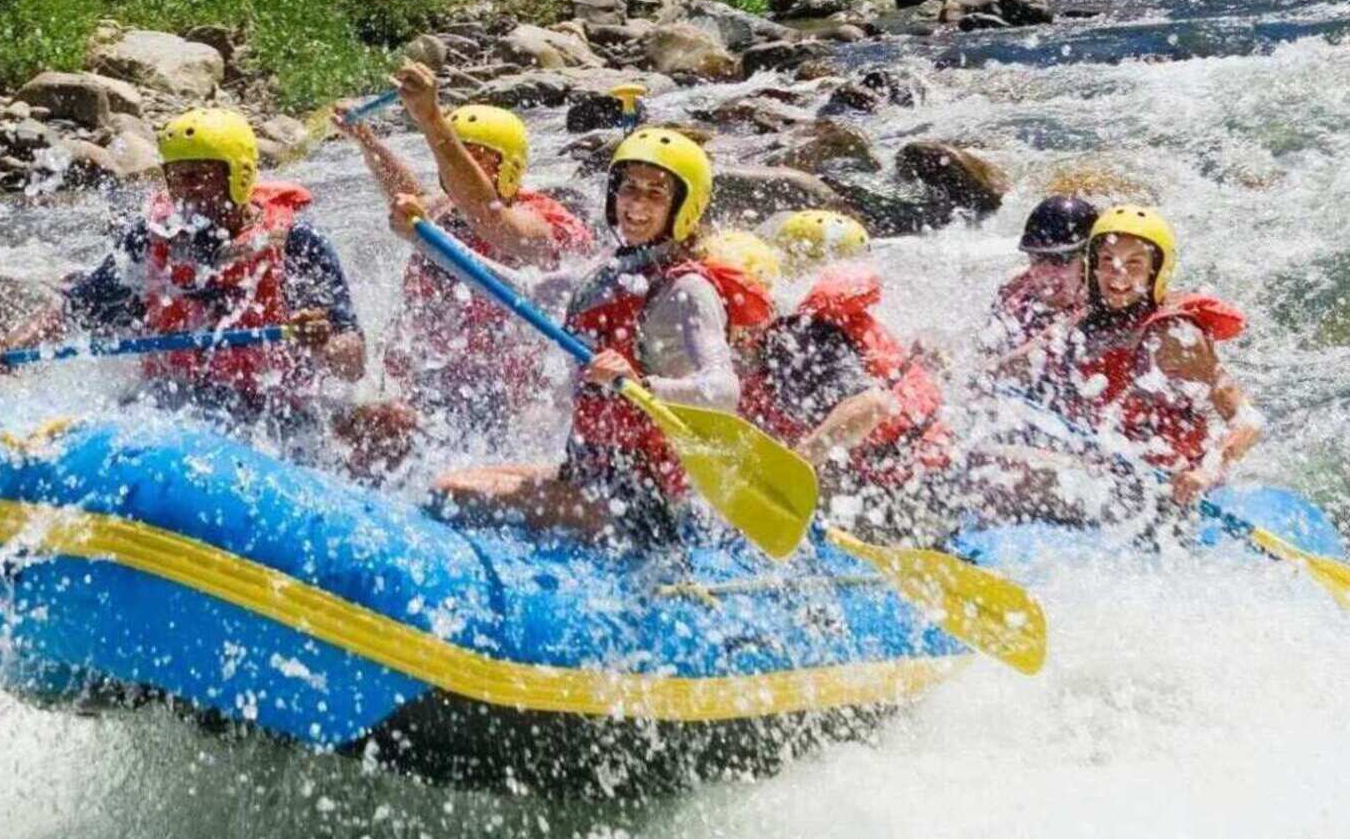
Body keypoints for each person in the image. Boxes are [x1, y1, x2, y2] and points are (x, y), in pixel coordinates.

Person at [429, 127, 771, 546]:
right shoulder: (606, 272)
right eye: (629, 189)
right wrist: (423, 237)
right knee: (455, 478)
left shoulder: (686, 290)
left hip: (642, 501)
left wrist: (640, 384)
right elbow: (516, 291)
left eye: (655, 194)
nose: (636, 204)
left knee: (449, 491)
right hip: (589, 472)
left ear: (683, 207)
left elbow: (723, 391)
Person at [0, 107, 365, 441]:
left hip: (275, 412)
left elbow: (354, 361)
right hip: (171, 399)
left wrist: (322, 342)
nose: (184, 192)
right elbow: (76, 309)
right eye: (175, 177)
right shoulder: (151, 241)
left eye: (196, 177)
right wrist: (9, 345)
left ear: (237, 176)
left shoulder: (297, 243)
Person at [342, 62, 594, 442]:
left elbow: (492, 220)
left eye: (472, 159)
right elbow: (408, 192)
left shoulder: (546, 223)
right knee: (356, 424)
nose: (455, 169)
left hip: (505, 398)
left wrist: (431, 119)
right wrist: (366, 140)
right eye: (453, 158)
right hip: (433, 381)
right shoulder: (443, 209)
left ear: (509, 170)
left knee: (385, 428)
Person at [737, 211, 952, 524]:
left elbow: (873, 404)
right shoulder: (850, 316)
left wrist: (793, 468)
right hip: (936, 465)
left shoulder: (798, 335)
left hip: (906, 493)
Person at [1050, 206, 1261, 507]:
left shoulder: (1173, 336)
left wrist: (1206, 473)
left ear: (1155, 272)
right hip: (1107, 472)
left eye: (1134, 263)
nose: (1117, 274)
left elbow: (1247, 420)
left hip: (1170, 486)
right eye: (1108, 261)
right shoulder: (1084, 325)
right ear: (1093, 267)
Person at [981, 193, 1099, 376]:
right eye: (1037, 259)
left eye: (1060, 261)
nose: (1045, 275)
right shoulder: (1015, 290)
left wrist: (986, 371)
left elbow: (1051, 338)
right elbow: (985, 352)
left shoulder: (1098, 303)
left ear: (1088, 262)